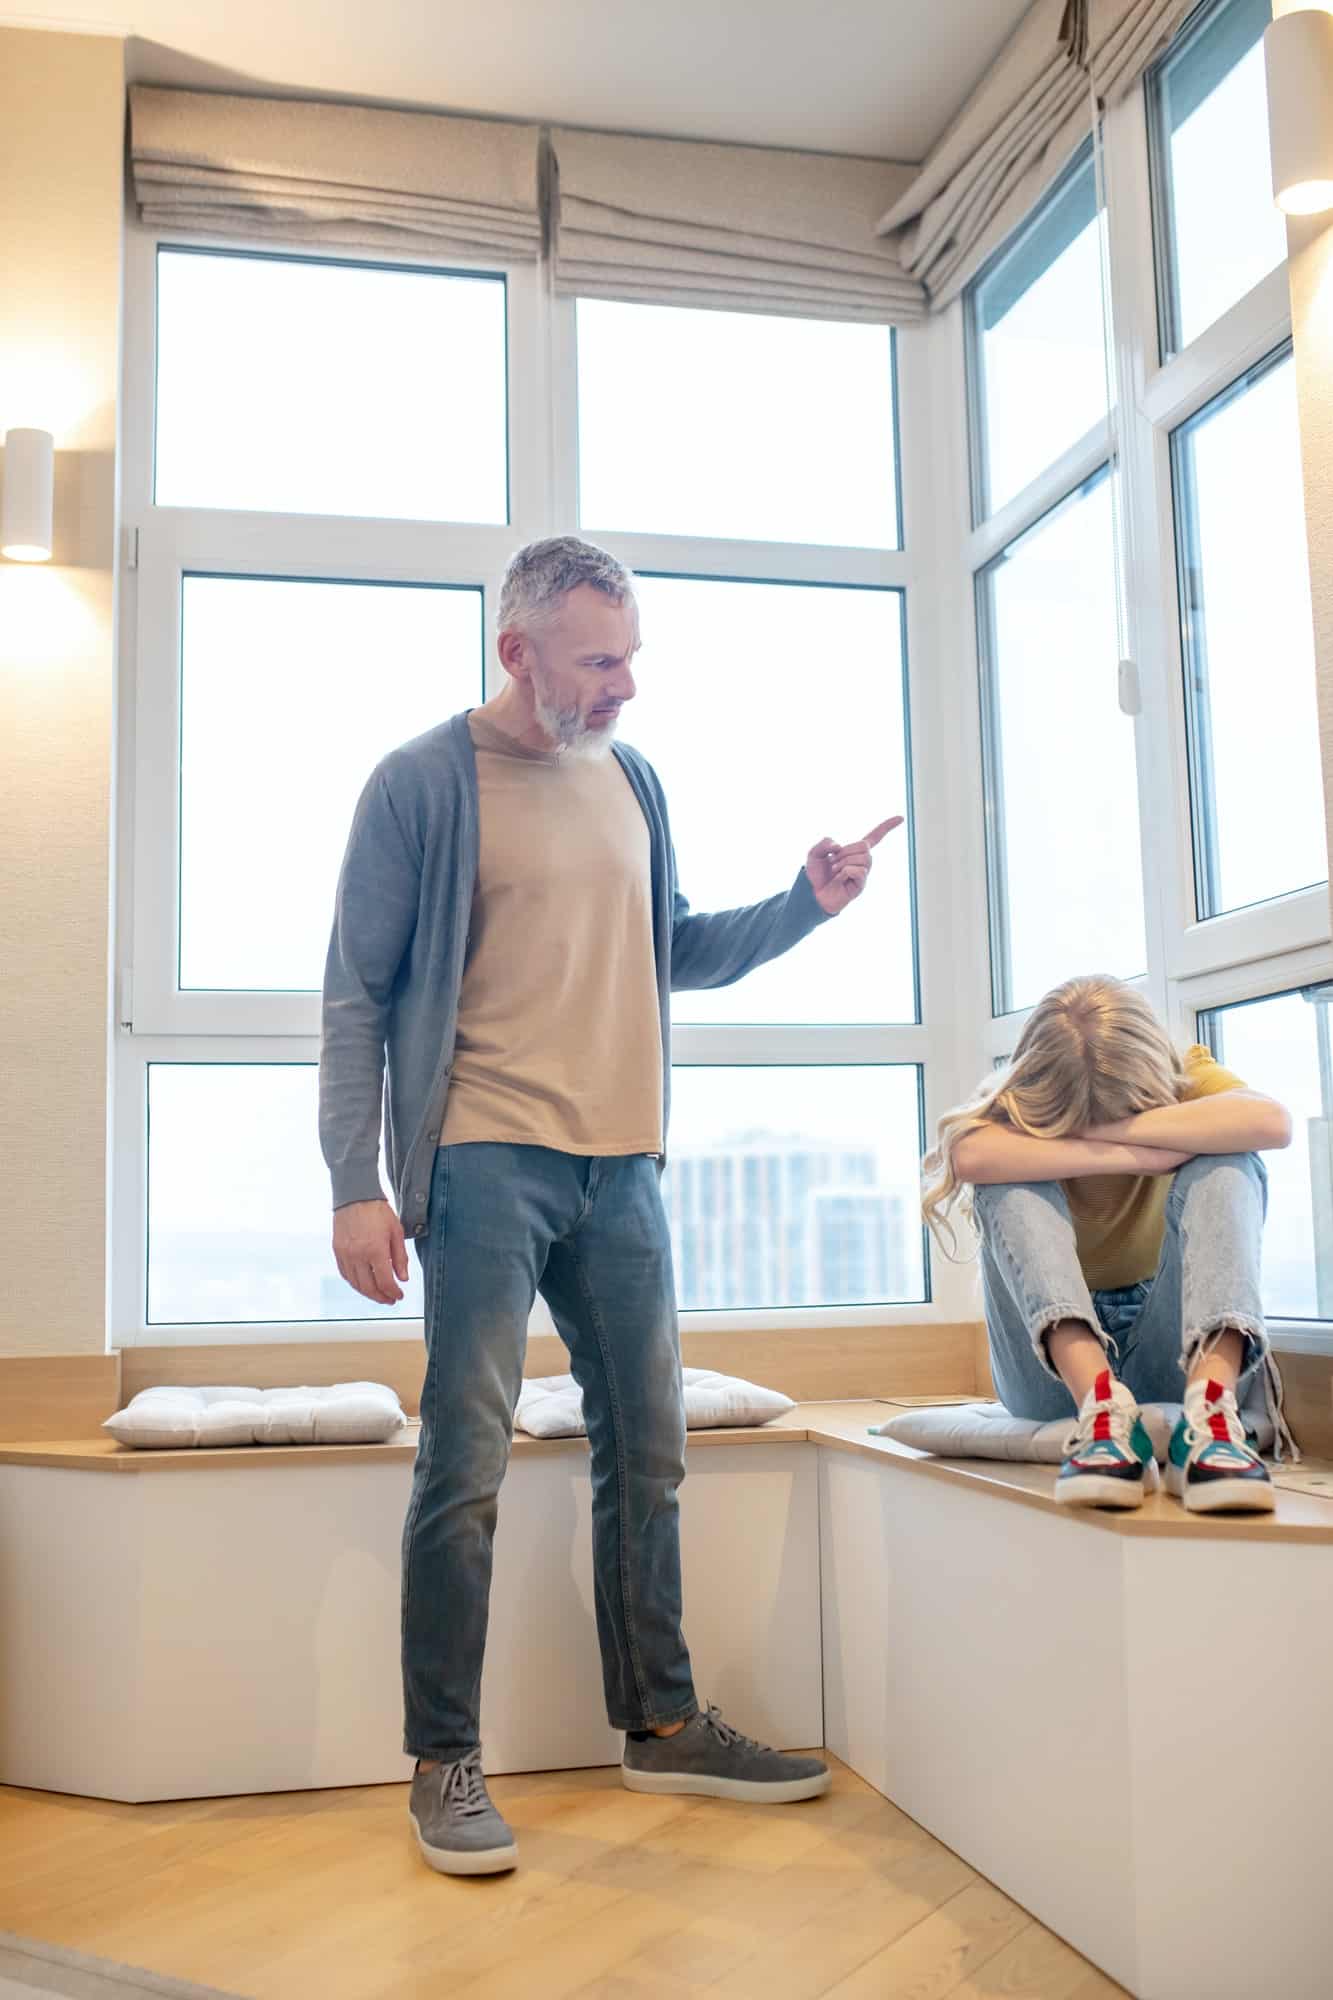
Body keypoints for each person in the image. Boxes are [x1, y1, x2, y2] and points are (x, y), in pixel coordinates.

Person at [320, 535, 901, 1876]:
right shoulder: (422, 783)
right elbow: (355, 990)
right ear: (518, 650)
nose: (626, 684)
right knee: (462, 1462)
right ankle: (444, 1759)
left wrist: (803, 907)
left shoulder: (631, 775)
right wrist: (355, 1181)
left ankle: (661, 1718)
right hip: (483, 1158)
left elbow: (674, 946)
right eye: (600, 659)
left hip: (623, 1164)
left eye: (632, 655)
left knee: (650, 1452)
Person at [921, 974, 1295, 1515]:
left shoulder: (1187, 1070)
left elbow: (1270, 1121)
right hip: (1050, 1372)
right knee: (1005, 1184)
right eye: (1080, 1121)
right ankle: (1100, 1410)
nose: (1101, 1125)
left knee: (1232, 1160)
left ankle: (1210, 1416)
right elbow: (967, 1157)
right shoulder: (1011, 1099)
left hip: (1172, 1346)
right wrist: (1138, 1151)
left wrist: (1084, 1136)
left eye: (1120, 1114)